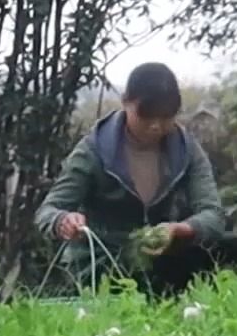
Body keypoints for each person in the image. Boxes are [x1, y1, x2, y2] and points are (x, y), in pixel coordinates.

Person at [34, 62, 225, 295]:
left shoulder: (186, 150)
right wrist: (63, 220)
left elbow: (213, 214)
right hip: (97, 274)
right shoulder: (94, 150)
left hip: (162, 271)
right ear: (126, 102)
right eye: (146, 116)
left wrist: (180, 229)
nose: (156, 126)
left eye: (166, 117)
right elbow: (48, 210)